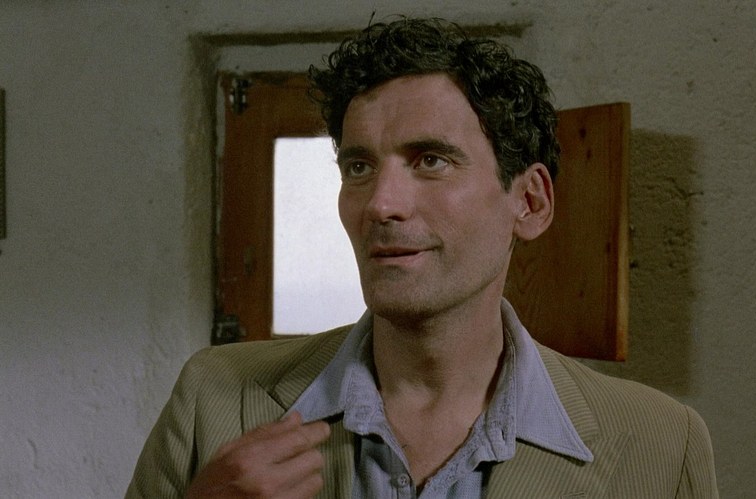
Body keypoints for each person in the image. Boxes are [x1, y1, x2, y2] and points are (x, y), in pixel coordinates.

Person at [127, 17, 718, 498]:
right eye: (359, 166)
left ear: (530, 202)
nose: (381, 204)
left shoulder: (662, 445)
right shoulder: (215, 398)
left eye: (431, 160)